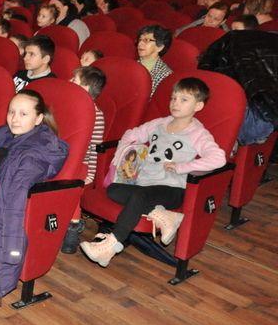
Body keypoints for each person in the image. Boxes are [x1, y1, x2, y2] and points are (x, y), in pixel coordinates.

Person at [80, 77, 226, 266]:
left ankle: (110, 246)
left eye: (184, 100)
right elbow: (131, 134)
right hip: (145, 184)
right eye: (173, 98)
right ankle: (163, 215)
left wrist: (181, 167)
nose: (175, 103)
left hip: (173, 189)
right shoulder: (160, 124)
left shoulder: (198, 133)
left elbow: (218, 159)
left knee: (139, 196)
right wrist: (121, 153)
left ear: (198, 106)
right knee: (113, 189)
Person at [0, 90, 68, 299]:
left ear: (39, 119)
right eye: (11, 112)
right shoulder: (2, 136)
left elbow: (15, 202)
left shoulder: (33, 156)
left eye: (23, 114)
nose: (14, 119)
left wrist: (10, 252)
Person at [61, 66, 107, 254]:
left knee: (73, 183)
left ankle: (73, 225)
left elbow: (95, 148)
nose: (69, 82)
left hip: (81, 164)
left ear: (86, 88)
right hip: (62, 157)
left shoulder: (97, 115)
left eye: (74, 80)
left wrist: (91, 174)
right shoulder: (66, 106)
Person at [136, 25, 173, 96]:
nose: (140, 44)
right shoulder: (131, 66)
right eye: (140, 40)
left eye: (146, 40)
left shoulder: (165, 75)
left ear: (160, 47)